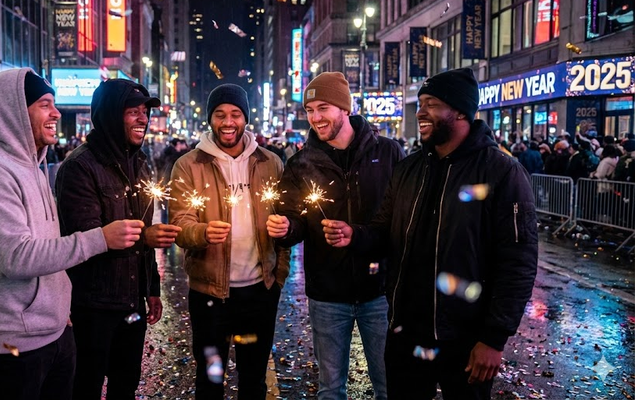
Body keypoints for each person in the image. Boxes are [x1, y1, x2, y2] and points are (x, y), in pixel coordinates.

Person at [319, 68, 538, 400]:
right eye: (421, 103)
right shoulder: (409, 169)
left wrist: (494, 339)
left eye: (432, 104)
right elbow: (382, 232)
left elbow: (517, 262)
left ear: (460, 111)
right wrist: (357, 236)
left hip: (465, 340)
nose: (420, 111)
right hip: (406, 336)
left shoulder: (502, 171)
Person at [0, 68, 144, 400]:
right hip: (9, 343)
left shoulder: (34, 167)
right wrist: (100, 238)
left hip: (52, 334)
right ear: (13, 110)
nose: (56, 113)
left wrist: (59, 310)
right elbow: (17, 257)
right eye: (45, 105)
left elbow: (50, 245)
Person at [265, 72, 402, 400]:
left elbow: (402, 220)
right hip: (328, 294)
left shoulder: (388, 153)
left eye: (322, 107)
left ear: (345, 107)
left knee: (390, 385)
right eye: (309, 110)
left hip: (381, 292)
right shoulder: (300, 164)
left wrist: (357, 236)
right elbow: (293, 220)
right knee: (330, 389)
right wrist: (285, 229)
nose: (315, 117)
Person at [55, 79, 180, 400]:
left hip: (131, 302)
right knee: (86, 386)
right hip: (92, 305)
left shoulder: (139, 162)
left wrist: (152, 289)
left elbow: (145, 233)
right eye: (133, 112)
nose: (143, 119)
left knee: (125, 385)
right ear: (111, 114)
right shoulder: (80, 166)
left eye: (145, 112)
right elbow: (83, 239)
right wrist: (145, 237)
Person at [169, 83, 289, 399]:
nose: (228, 121)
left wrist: (278, 278)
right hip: (210, 296)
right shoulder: (189, 164)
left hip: (258, 295)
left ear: (245, 119)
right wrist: (201, 233)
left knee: (253, 380)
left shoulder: (270, 162)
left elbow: (286, 222)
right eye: (220, 114)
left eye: (235, 114)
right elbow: (178, 225)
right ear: (211, 119)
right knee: (209, 381)